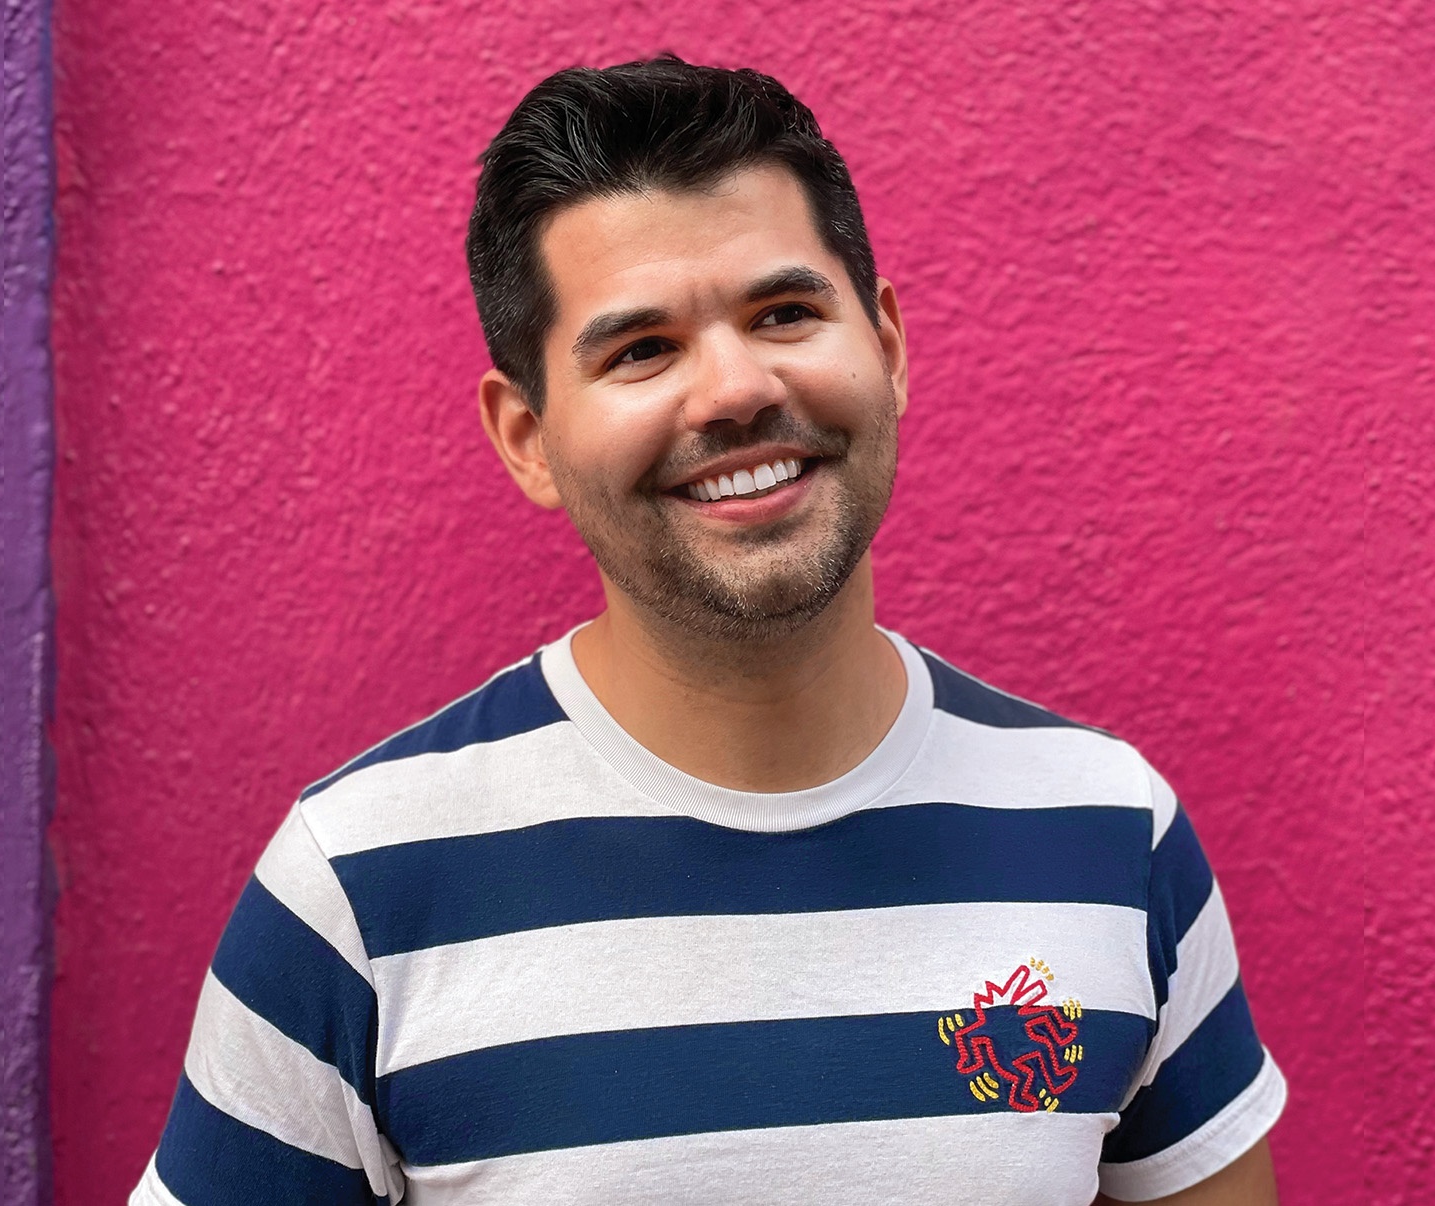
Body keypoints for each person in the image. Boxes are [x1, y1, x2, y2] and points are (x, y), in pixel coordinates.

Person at [130, 57, 1286, 1206]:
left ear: (884, 346)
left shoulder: (1106, 832)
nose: (734, 390)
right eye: (641, 350)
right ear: (527, 435)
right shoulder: (360, 886)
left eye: (783, 312)